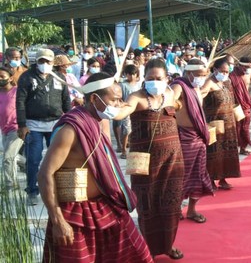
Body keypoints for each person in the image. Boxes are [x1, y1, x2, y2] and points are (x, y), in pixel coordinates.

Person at [37, 73, 153, 262]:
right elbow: (45, 174)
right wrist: (58, 220)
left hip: (106, 205)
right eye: (114, 100)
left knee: (139, 255)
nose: (119, 104)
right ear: (93, 98)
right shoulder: (71, 130)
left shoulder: (98, 122)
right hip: (74, 215)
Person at [116, 59, 185, 260]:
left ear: (166, 78)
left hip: (173, 159)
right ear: (144, 79)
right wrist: (111, 110)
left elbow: (185, 94)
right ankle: (147, 249)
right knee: (147, 206)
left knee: (171, 206)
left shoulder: (171, 94)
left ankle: (167, 245)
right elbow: (124, 111)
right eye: (150, 78)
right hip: (143, 162)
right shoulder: (136, 97)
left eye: (159, 78)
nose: (155, 81)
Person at [16, 49, 72, 205]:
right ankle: (32, 191)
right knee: (33, 159)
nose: (45, 64)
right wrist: (22, 125)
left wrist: (71, 120)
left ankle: (58, 189)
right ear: (36, 61)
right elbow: (20, 102)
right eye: (41, 61)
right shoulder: (27, 77)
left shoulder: (59, 77)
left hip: (56, 124)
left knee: (59, 159)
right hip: (33, 124)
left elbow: (66, 101)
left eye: (48, 61)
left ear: (53, 62)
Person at [171, 59, 215, 223]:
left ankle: (191, 210)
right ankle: (175, 210)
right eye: (199, 75)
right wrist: (173, 103)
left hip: (199, 138)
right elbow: (171, 98)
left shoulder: (196, 88)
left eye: (204, 75)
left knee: (199, 175)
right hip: (185, 139)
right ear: (189, 73)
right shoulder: (179, 86)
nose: (202, 78)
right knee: (182, 175)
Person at [203, 58, 241, 190]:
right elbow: (198, 96)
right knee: (214, 152)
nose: (225, 73)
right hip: (214, 123)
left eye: (227, 71)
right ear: (215, 70)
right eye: (222, 71)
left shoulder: (225, 82)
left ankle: (223, 178)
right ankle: (211, 180)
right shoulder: (209, 83)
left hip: (228, 123)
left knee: (226, 152)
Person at [0, 67, 22, 191]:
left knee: (8, 157)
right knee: (13, 156)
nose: (0, 79)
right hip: (4, 130)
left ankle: (11, 185)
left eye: (2, 76)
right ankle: (30, 166)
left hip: (17, 128)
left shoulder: (17, 92)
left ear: (10, 78)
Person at [230, 56, 251, 155]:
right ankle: (235, 149)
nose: (247, 69)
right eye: (246, 67)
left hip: (246, 104)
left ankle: (243, 148)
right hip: (235, 105)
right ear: (240, 66)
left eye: (249, 67)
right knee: (236, 128)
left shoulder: (248, 74)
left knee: (245, 127)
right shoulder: (231, 76)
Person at [118, 64, 142, 159]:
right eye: (129, 74)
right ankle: (123, 149)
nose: (132, 76)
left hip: (137, 111)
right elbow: (119, 97)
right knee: (126, 130)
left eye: (134, 74)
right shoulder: (123, 85)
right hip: (126, 110)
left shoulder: (139, 85)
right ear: (126, 74)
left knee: (135, 130)